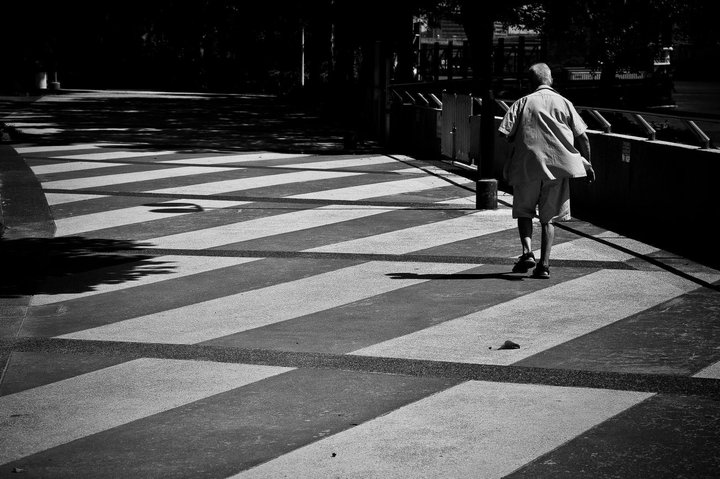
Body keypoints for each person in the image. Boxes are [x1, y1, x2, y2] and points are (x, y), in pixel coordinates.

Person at [498, 63, 595, 279]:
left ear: (531, 82)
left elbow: (505, 134)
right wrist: (586, 163)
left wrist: (511, 159)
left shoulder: (522, 102)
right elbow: (583, 136)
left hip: (527, 167)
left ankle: (527, 252)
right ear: (550, 79)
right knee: (548, 218)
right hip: (557, 167)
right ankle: (544, 265)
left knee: (524, 211)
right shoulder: (564, 103)